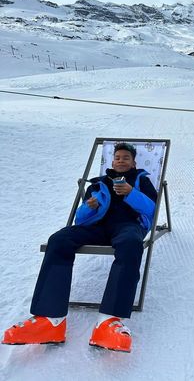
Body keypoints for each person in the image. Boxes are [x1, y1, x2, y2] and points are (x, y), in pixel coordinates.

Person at [2, 143, 157, 352]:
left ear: (133, 162)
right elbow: (80, 219)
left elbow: (152, 210)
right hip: (97, 227)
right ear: (111, 162)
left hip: (127, 226)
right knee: (59, 240)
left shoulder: (141, 180)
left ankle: (108, 321)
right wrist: (89, 207)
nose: (121, 160)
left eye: (126, 158)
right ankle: (50, 320)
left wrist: (131, 193)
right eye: (117, 157)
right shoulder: (98, 184)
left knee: (131, 245)